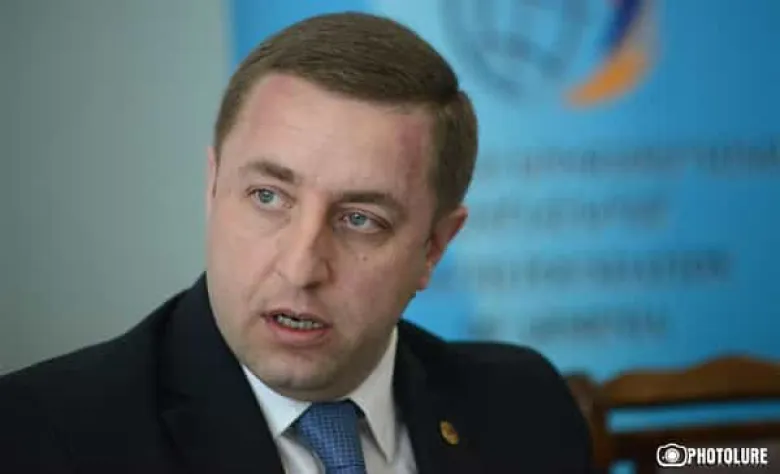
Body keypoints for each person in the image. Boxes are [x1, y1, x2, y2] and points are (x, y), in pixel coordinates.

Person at [0, 12, 592, 474]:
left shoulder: (524, 406)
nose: (301, 266)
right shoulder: (43, 434)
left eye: (360, 219)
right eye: (268, 196)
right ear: (212, 189)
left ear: (434, 247)